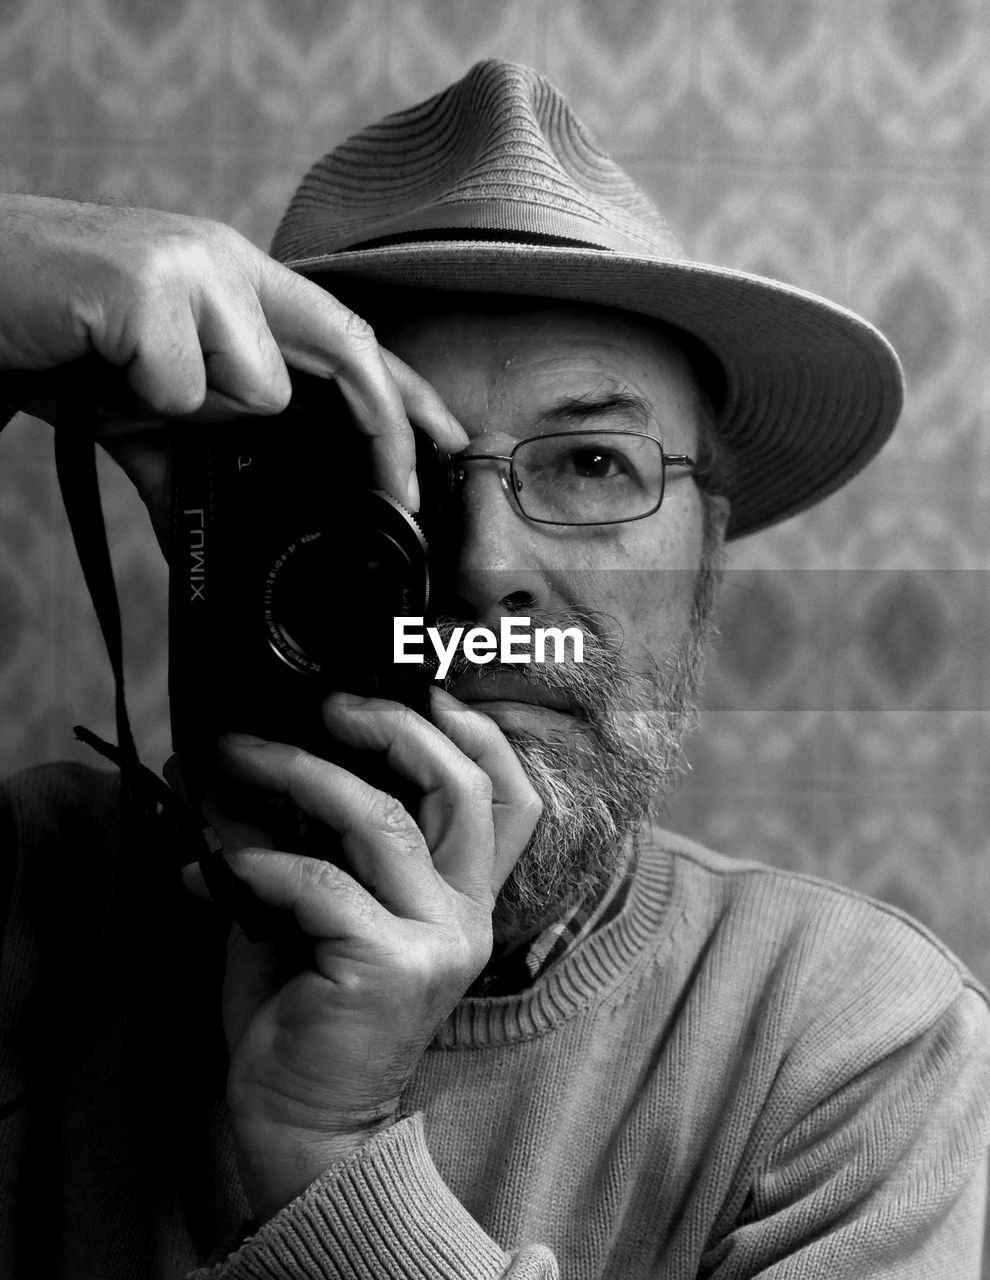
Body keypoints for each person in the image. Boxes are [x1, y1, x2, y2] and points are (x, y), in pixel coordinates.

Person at [1, 59, 988, 1280]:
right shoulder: (32, 901)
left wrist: (334, 1161)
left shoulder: (852, 1040)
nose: (481, 568)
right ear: (236, 521)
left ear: (707, 555)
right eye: (395, 472)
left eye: (590, 463)